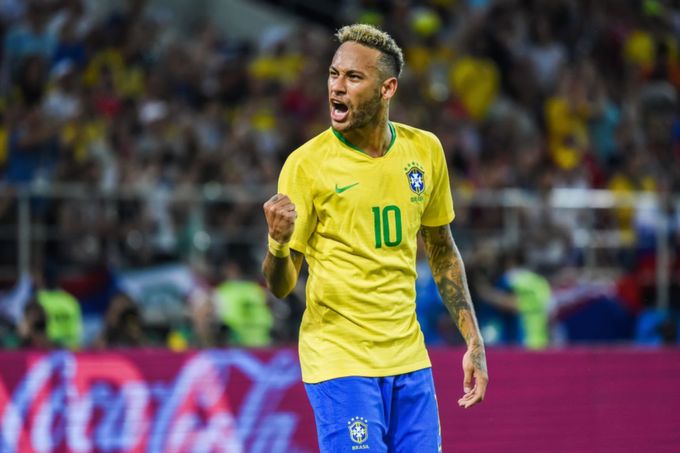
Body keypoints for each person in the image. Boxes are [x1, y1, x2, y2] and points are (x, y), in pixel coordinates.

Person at [262, 24, 488, 452]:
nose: (337, 88)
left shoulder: (425, 152)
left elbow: (441, 251)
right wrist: (276, 243)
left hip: (408, 359)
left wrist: (473, 340)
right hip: (340, 360)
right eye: (333, 74)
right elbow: (280, 285)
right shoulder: (306, 164)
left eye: (353, 77)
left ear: (387, 88)